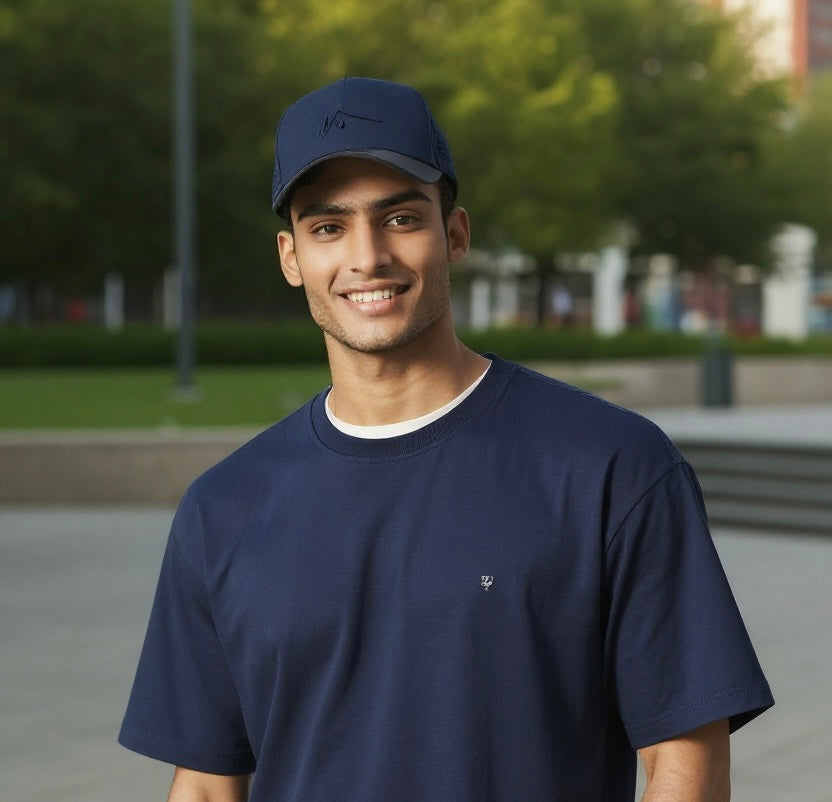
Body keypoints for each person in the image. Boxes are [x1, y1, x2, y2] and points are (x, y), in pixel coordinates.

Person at [119, 77, 773, 801]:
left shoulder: (612, 468)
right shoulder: (225, 509)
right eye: (328, 227)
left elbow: (688, 763)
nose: (367, 257)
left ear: (455, 234)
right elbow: (208, 786)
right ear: (290, 257)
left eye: (400, 218)